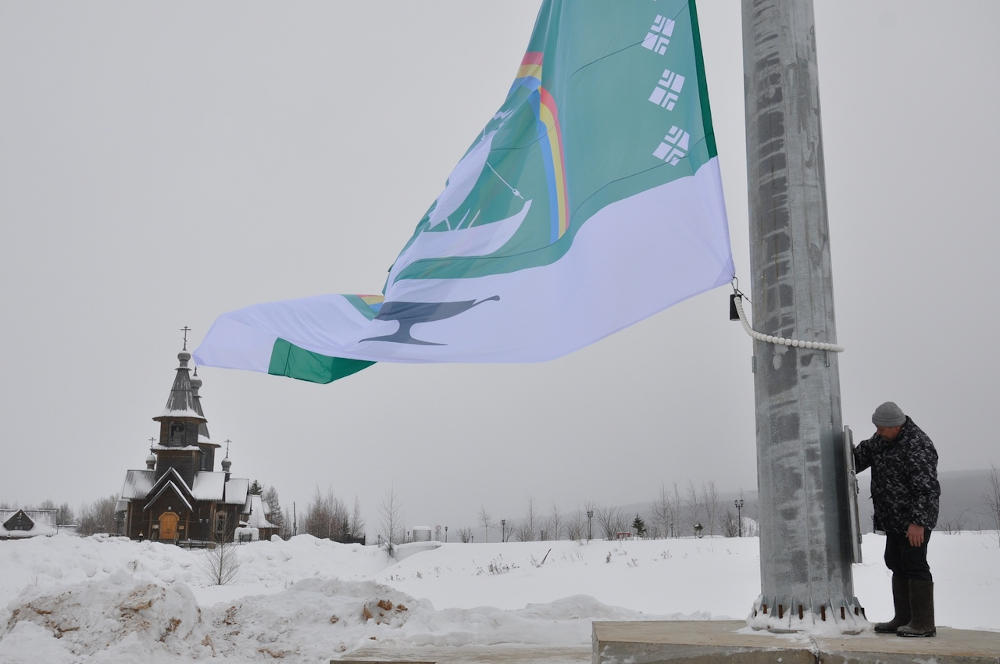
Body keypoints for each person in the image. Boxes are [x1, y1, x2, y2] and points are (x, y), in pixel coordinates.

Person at [853, 401, 940, 637]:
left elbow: (927, 488)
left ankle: (923, 623)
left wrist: (918, 522)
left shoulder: (917, 445)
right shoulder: (883, 440)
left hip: (914, 522)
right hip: (893, 519)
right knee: (895, 560)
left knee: (915, 564)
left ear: (896, 426)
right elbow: (857, 457)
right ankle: (903, 618)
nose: (878, 433)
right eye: (877, 428)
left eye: (881, 429)